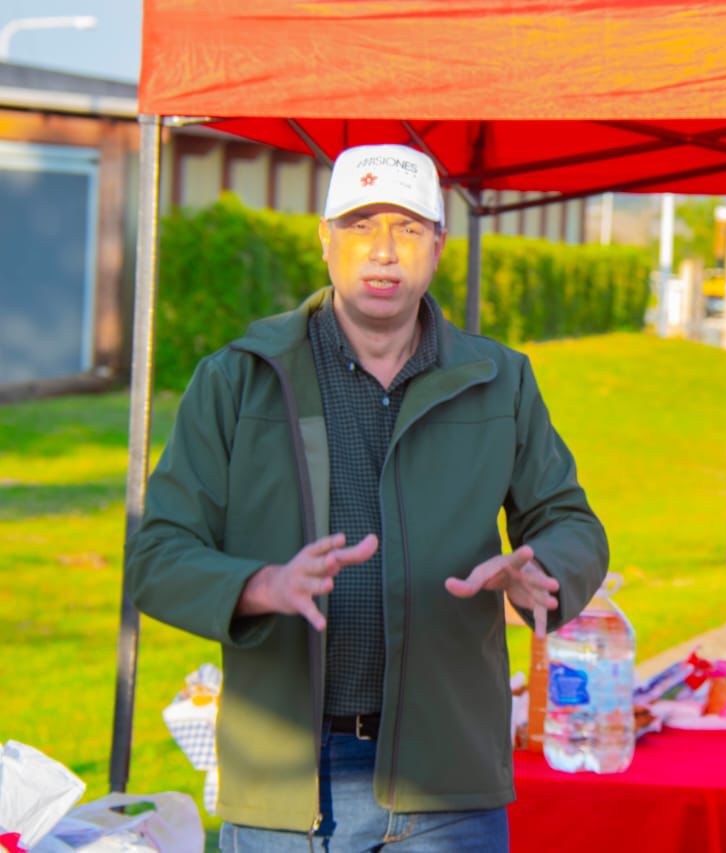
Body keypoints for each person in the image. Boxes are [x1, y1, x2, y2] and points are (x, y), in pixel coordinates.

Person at [125, 143, 609, 851]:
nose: (384, 250)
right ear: (325, 239)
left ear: (438, 247)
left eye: (409, 228)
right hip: (284, 784)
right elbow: (156, 556)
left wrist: (542, 571)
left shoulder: (501, 380)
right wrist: (261, 583)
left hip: (449, 782)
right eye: (360, 225)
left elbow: (571, 521)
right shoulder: (238, 379)